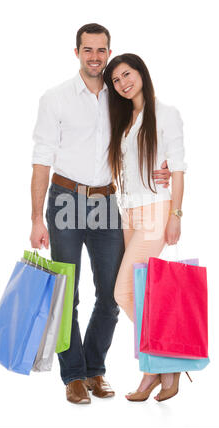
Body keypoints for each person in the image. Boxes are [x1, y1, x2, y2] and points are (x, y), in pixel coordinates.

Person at [30, 25, 171, 404]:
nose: (95, 56)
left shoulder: (118, 98)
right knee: (67, 293)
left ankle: (94, 368)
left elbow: (143, 136)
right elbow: (41, 161)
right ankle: (73, 375)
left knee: (111, 295)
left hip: (107, 202)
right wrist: (35, 218)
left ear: (109, 53)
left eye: (102, 50)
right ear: (76, 51)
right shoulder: (55, 98)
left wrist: (166, 169)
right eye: (88, 49)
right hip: (63, 200)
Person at [103, 53, 187, 402]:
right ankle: (156, 368)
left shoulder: (165, 113)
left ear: (141, 73)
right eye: (116, 81)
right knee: (140, 291)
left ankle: (160, 364)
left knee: (122, 292)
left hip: (155, 210)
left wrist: (175, 216)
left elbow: (178, 168)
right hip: (129, 212)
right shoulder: (124, 120)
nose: (123, 83)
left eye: (127, 74)